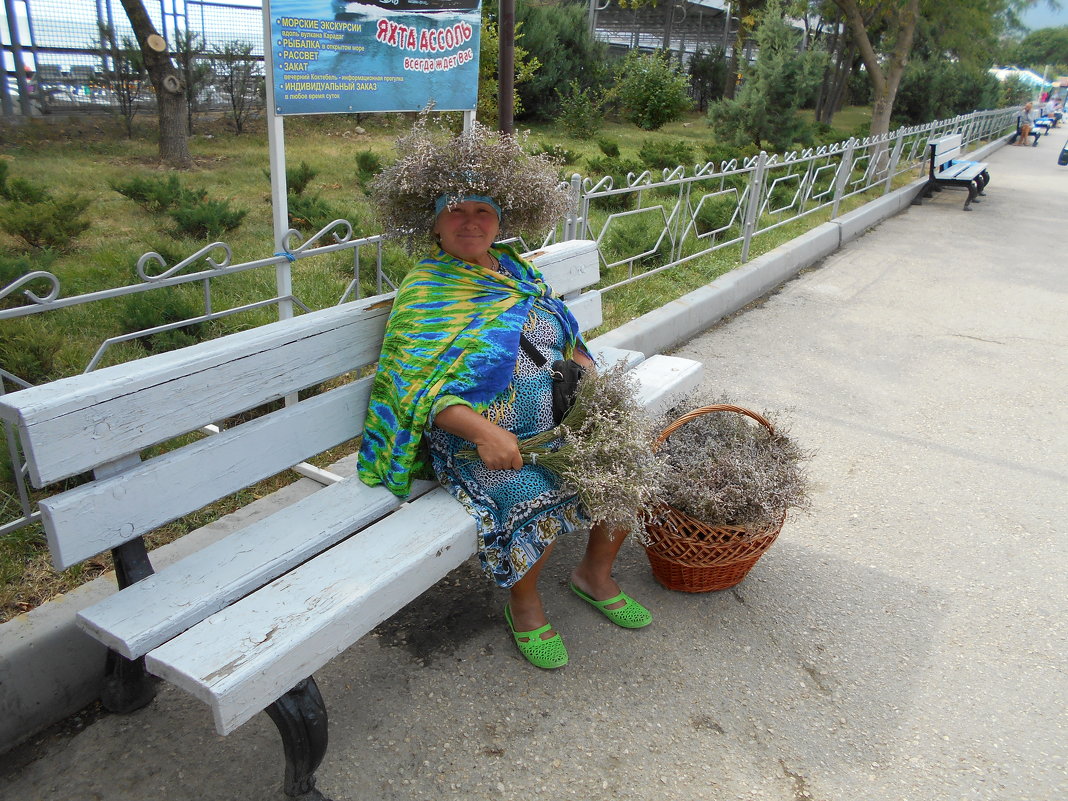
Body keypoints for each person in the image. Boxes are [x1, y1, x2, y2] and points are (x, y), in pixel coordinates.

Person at [357, 115, 652, 670]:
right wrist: (485, 430)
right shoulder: (427, 288)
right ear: (436, 224)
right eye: (456, 210)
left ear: (500, 222)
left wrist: (593, 385)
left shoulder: (516, 270)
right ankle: (525, 601)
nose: (470, 221)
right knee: (528, 491)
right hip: (476, 441)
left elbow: (565, 336)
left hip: (552, 420)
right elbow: (412, 385)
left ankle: (595, 574)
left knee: (628, 460)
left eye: (483, 210)